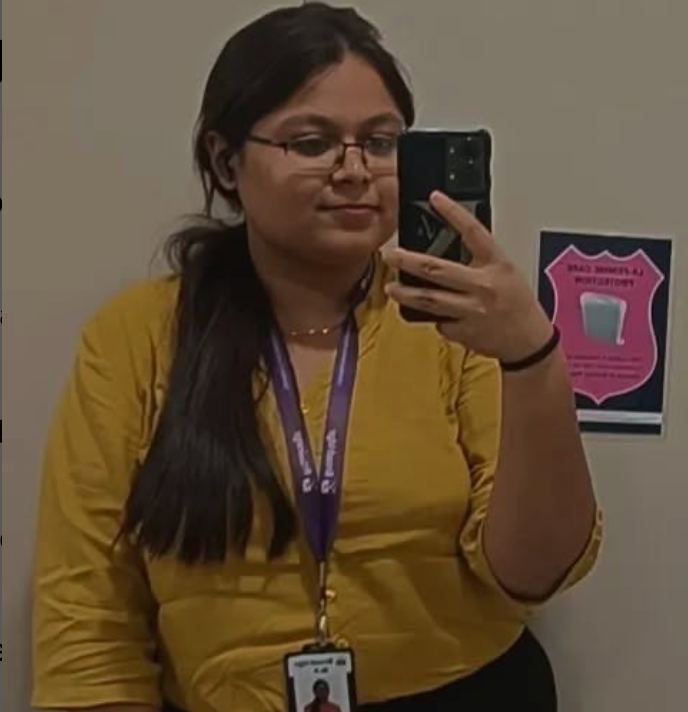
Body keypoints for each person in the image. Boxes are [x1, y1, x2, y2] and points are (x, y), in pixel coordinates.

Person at [31, 3, 603, 712]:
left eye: (381, 141)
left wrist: (532, 359)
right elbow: (87, 620)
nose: (355, 171)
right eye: (312, 143)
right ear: (225, 160)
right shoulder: (136, 338)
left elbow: (533, 572)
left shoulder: (455, 325)